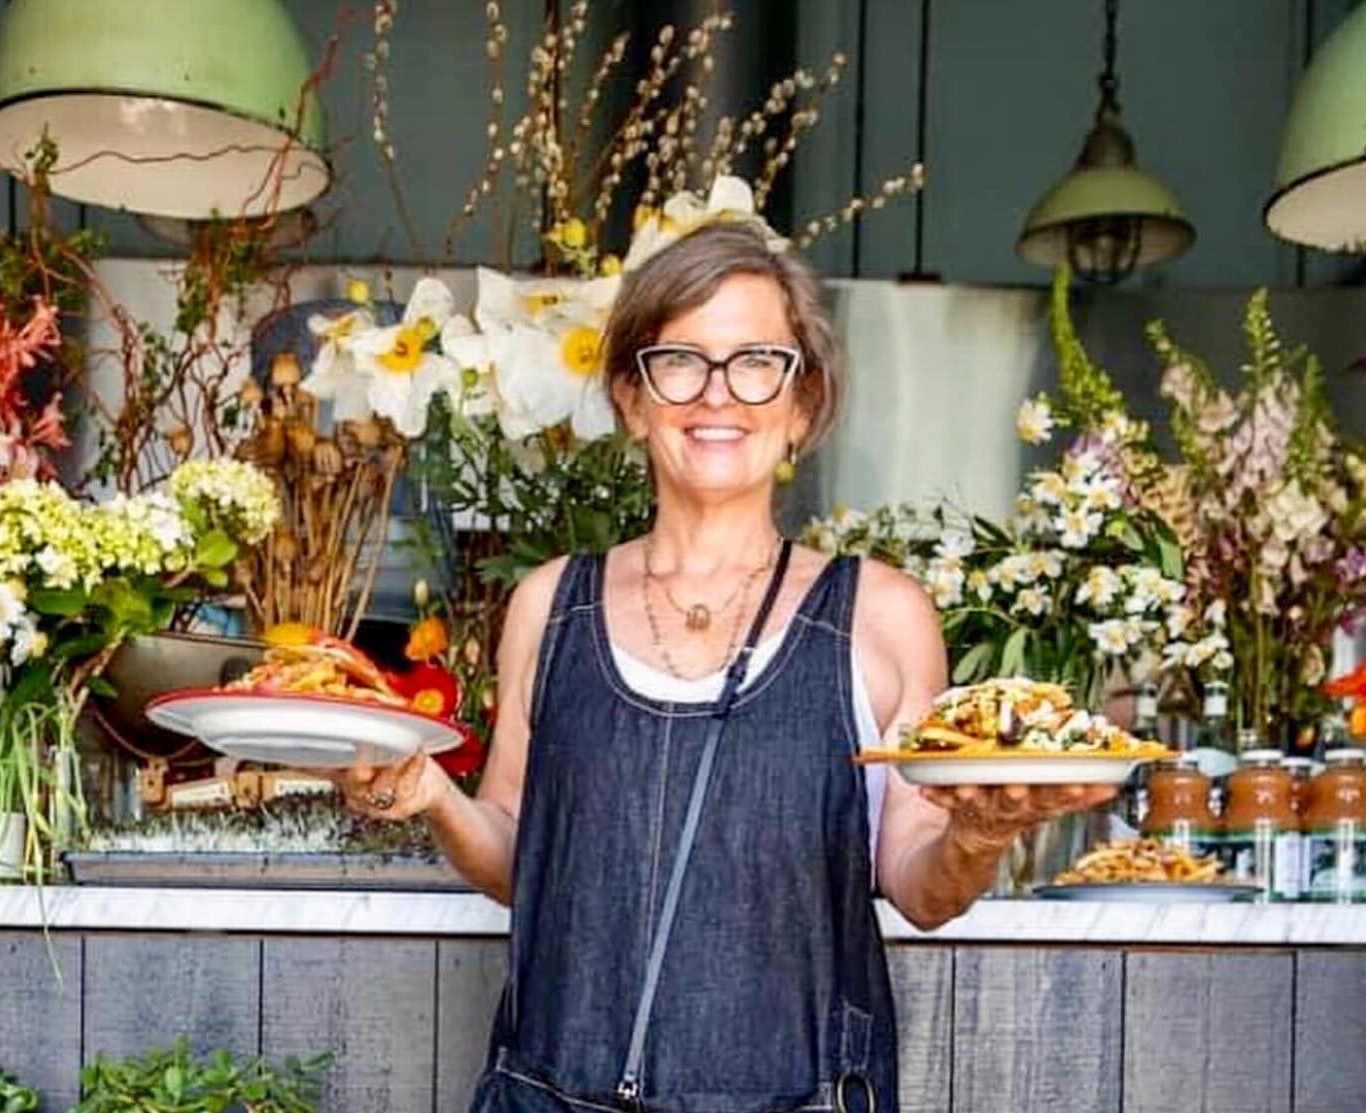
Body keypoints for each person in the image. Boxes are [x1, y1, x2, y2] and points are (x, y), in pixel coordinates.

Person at [336, 222, 1116, 1113]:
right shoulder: (551, 606)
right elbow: (527, 853)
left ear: (801, 402)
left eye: (757, 361)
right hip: (548, 1093)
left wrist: (977, 836)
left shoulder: (881, 614)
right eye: (681, 360)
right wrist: (435, 796)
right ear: (631, 396)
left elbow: (917, 880)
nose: (719, 395)